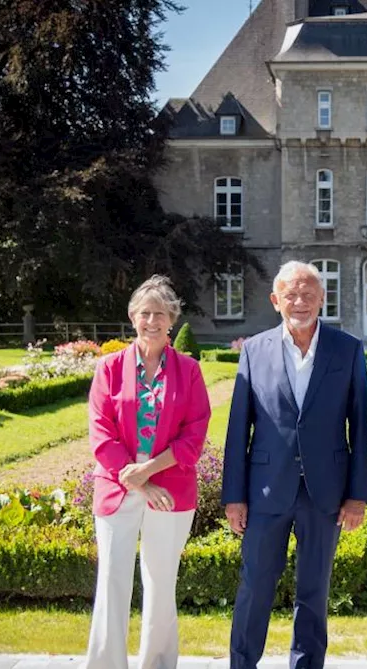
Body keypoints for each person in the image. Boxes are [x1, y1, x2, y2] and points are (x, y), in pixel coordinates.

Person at [223, 261, 367, 669]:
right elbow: (239, 429)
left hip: (325, 491)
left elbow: (360, 425)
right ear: (276, 301)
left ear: (322, 298)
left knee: (314, 590)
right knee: (255, 585)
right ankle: (242, 663)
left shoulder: (347, 348)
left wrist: (358, 495)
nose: (300, 302)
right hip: (267, 488)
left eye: (308, 293)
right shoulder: (255, 350)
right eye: (290, 294)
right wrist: (234, 497)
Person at [85, 275, 212, 669]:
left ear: (171, 319)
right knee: (112, 582)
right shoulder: (108, 368)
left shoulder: (189, 370)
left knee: (160, 585)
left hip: (169, 489)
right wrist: (136, 477)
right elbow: (100, 430)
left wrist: (150, 473)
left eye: (160, 314)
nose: (151, 321)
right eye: (144, 314)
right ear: (132, 317)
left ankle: (157, 664)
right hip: (117, 487)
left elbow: (195, 433)